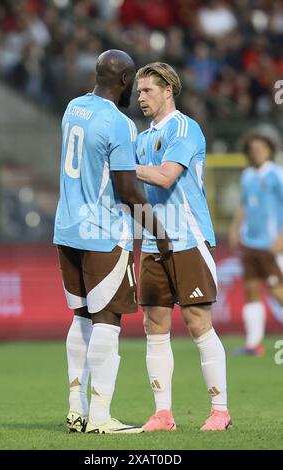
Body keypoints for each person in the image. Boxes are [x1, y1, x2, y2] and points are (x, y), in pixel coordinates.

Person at [54, 50, 170, 434]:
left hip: (67, 228)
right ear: (123, 82)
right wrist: (158, 231)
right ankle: (101, 417)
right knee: (108, 319)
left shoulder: (73, 107)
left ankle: (76, 409)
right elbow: (126, 190)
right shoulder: (119, 124)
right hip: (102, 232)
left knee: (82, 316)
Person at [135, 62, 232, 431]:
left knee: (197, 322)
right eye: (139, 91)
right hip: (153, 241)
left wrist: (122, 166)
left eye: (147, 90)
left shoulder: (185, 128)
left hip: (189, 239)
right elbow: (135, 191)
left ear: (168, 90)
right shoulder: (142, 139)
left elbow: (164, 177)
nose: (141, 97)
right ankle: (163, 413)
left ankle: (220, 411)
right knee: (154, 322)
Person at [229, 132, 283, 356]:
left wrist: (281, 238)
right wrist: (234, 228)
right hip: (250, 243)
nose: (257, 151)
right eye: (253, 148)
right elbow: (244, 205)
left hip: (271, 244)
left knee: (277, 289)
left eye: (261, 147)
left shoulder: (277, 174)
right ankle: (254, 344)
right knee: (251, 289)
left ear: (270, 149)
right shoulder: (248, 175)